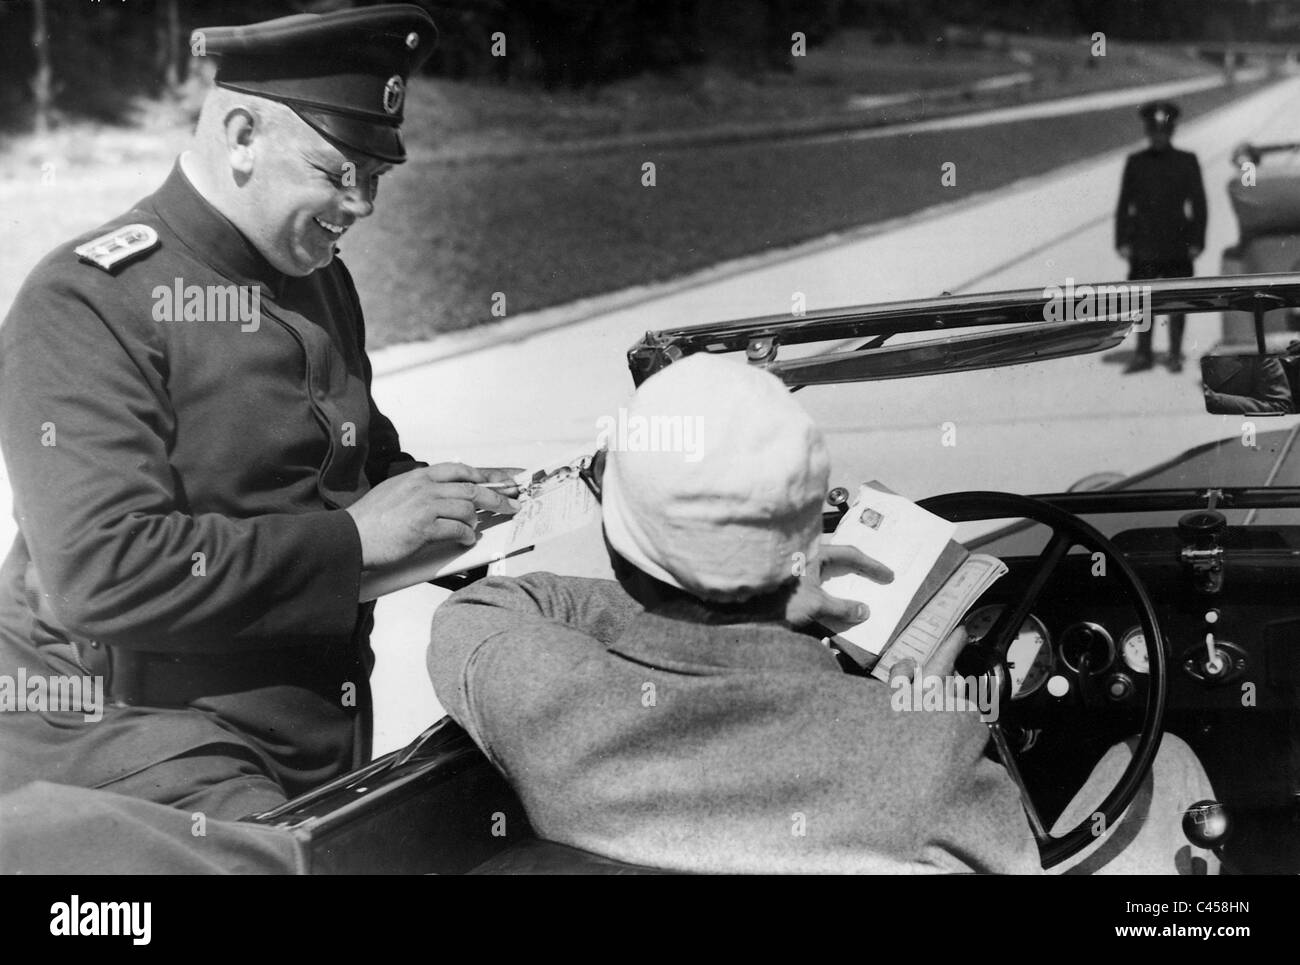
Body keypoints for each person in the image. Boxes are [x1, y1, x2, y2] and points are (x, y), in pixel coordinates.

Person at [0, 5, 520, 824]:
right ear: (241, 134)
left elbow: (357, 455)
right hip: (139, 756)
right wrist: (360, 540)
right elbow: (101, 571)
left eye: (377, 176)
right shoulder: (85, 298)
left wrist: (451, 506)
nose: (364, 204)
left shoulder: (316, 275)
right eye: (339, 171)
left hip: (303, 745)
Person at [428, 353, 1219, 874]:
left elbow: (485, 604)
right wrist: (916, 694)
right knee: (1167, 760)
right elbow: (1024, 860)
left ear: (618, 549)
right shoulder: (920, 743)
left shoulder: (542, 698)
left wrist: (689, 601)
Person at [1115, 100, 1207, 374]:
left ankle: (1176, 354)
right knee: (1141, 301)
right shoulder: (1136, 163)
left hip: (1178, 243)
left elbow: (1199, 205)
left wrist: (1198, 241)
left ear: (1172, 132)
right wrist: (1121, 240)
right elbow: (1124, 204)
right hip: (1143, 244)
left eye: (1164, 132)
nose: (1159, 137)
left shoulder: (1187, 161)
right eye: (1154, 132)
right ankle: (1143, 354)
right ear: (1147, 132)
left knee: (1178, 300)